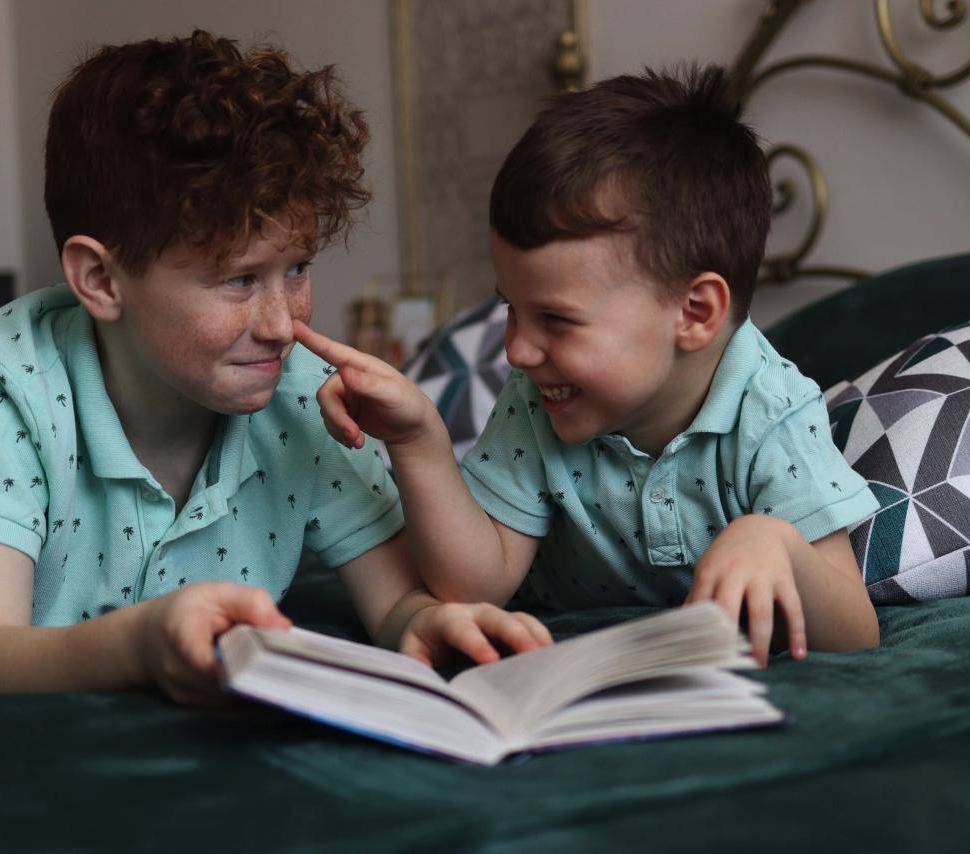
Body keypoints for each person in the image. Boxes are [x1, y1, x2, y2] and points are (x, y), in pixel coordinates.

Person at [0, 30, 550, 705]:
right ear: (101, 280)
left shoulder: (300, 393)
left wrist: (421, 621)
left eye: (297, 268)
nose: (282, 327)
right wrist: (139, 643)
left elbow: (394, 599)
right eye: (239, 279)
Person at [294, 64, 882, 666]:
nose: (516, 351)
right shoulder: (538, 399)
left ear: (695, 312)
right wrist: (419, 441)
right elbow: (473, 586)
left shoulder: (772, 413)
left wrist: (777, 543)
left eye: (555, 319)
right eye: (510, 309)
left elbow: (857, 633)